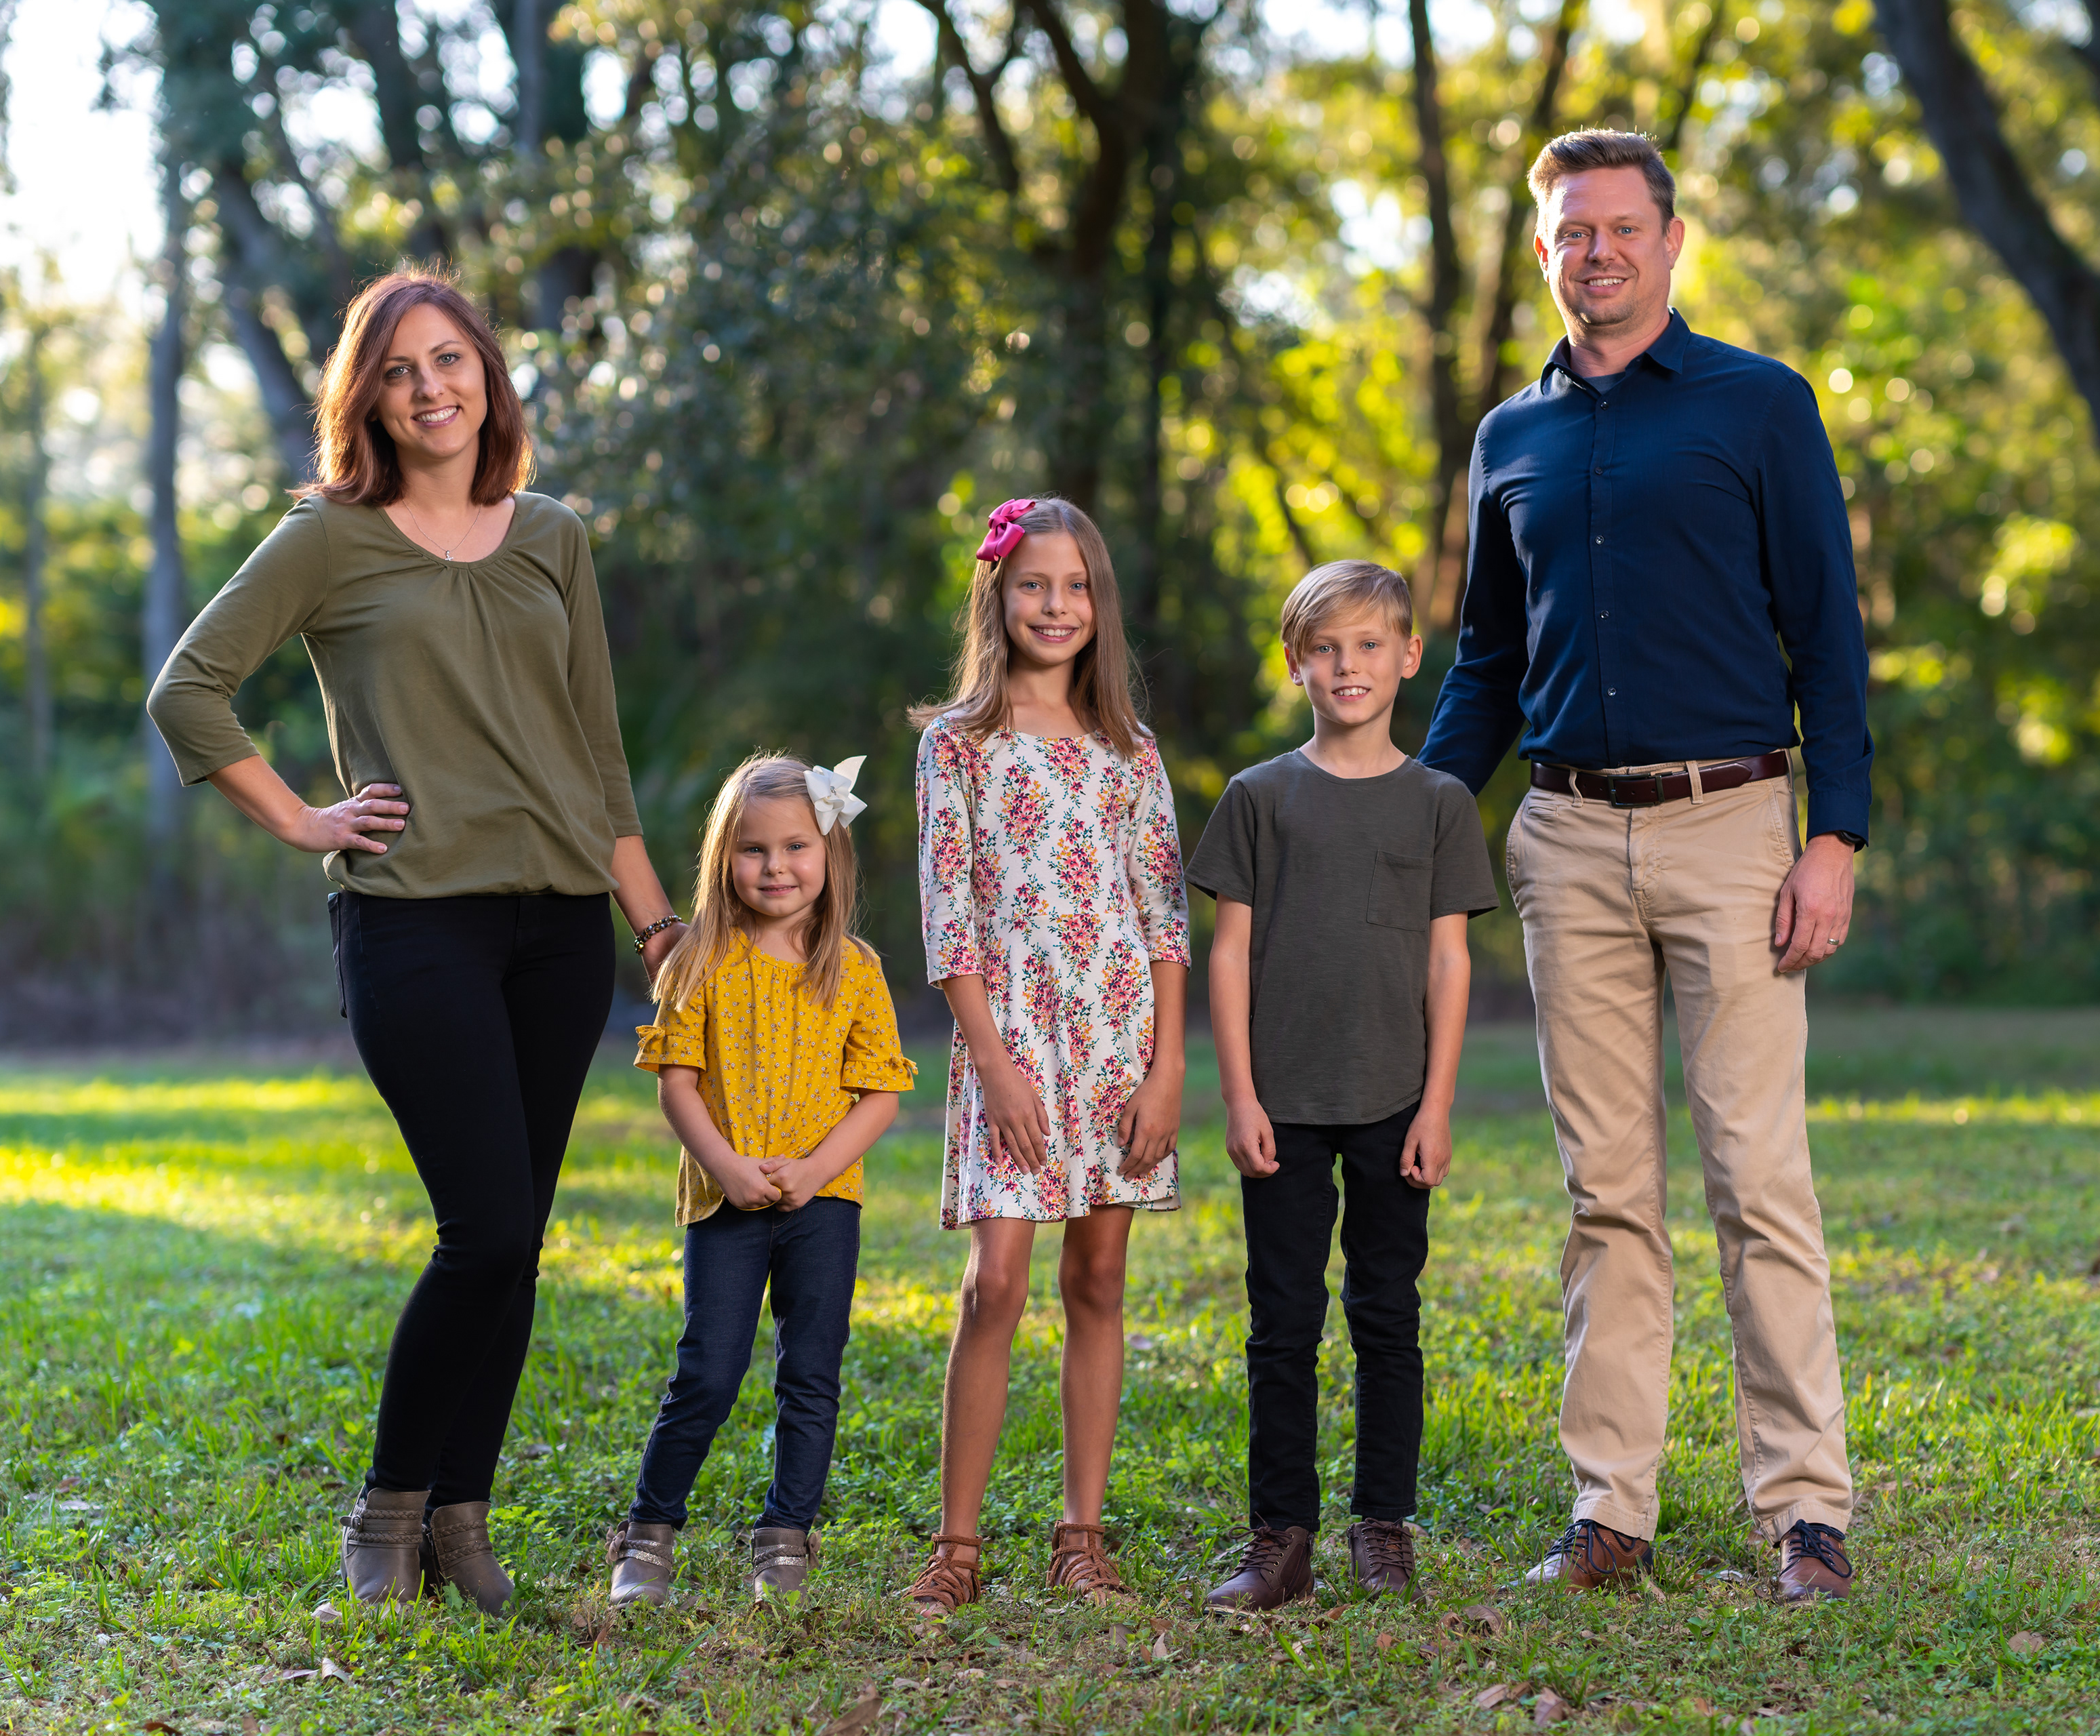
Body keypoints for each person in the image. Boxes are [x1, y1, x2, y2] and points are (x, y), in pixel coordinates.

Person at [146, 269, 685, 1614]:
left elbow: (597, 754)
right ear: (368, 399)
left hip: (562, 932)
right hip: (414, 923)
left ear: (489, 376)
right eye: (398, 369)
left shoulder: (553, 535)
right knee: (485, 1226)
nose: (430, 387)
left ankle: (461, 1522)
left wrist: (659, 923)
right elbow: (189, 688)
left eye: (450, 359)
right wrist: (302, 817)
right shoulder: (331, 538)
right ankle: (385, 1514)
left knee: (520, 1240)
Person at [1417, 130, 1872, 1602]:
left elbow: (1828, 634)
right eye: (1573, 231)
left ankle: (1804, 1511)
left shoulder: (1761, 404)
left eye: (1622, 227)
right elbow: (1488, 662)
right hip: (1563, 838)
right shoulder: (1511, 437)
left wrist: (1833, 835)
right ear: (1545, 251)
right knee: (1604, 1190)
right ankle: (1611, 1507)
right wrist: (1410, 821)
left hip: (1733, 827)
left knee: (1757, 1175)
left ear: (1672, 242)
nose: (1598, 252)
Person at [900, 496, 1192, 1613]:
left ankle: (1082, 1535)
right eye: (1034, 584)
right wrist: (994, 1064)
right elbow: (949, 921)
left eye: (1074, 586)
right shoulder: (957, 745)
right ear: (998, 596)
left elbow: (1165, 918)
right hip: (1011, 1042)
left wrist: (1168, 1069)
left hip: (1118, 1041)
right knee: (999, 1282)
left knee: (1098, 1277)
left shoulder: (1130, 750)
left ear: (1098, 603)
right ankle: (957, 1546)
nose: (1055, 605)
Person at [1188, 561, 1494, 1610]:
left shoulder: (1441, 803)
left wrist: (1438, 1104)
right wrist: (1238, 1093)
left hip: (1395, 1099)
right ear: (1295, 664)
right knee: (1281, 1324)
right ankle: (1281, 1539)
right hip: (1282, 1103)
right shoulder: (1259, 797)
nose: (1347, 665)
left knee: (1387, 1319)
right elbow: (1229, 955)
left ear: (1409, 656)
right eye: (1325, 648)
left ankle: (1383, 1527)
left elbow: (1448, 961)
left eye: (1369, 645)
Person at [605, 754, 916, 1607]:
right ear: (724, 858)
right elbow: (676, 1083)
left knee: (811, 1372)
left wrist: (814, 1170)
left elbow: (880, 1094)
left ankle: (785, 1535)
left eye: (795, 846)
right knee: (708, 1369)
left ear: (830, 853)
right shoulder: (700, 961)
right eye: (753, 849)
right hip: (726, 1198)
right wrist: (728, 1167)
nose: (776, 866)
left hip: (824, 1201)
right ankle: (648, 1530)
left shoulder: (854, 967)